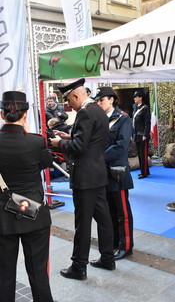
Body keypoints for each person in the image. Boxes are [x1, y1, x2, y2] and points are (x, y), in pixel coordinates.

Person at [50, 78, 115, 280]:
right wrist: (69, 136)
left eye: (69, 99)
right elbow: (91, 139)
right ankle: (107, 257)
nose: (69, 105)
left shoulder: (85, 113)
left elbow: (79, 147)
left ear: (77, 95)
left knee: (83, 223)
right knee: (104, 219)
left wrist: (58, 142)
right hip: (97, 173)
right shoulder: (99, 111)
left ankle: (79, 266)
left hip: (85, 177)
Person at [0, 91, 54, 302]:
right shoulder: (36, 142)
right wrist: (28, 133)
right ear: (25, 114)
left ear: (2, 114)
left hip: (2, 216)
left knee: (4, 276)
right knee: (39, 273)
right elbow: (46, 164)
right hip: (34, 213)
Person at [95, 86, 134, 260]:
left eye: (101, 100)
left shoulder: (123, 119)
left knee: (122, 212)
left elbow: (121, 146)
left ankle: (126, 246)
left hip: (117, 172)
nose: (99, 103)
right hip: (103, 172)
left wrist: (99, 158)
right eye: (97, 100)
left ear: (111, 99)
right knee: (109, 211)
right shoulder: (100, 119)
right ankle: (113, 243)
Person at [132, 91, 151, 179]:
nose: (134, 98)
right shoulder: (135, 107)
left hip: (143, 134)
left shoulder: (145, 108)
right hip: (136, 134)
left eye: (136, 97)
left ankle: (144, 172)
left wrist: (145, 134)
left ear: (140, 98)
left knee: (143, 154)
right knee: (139, 154)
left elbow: (147, 123)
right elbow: (134, 122)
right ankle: (143, 170)